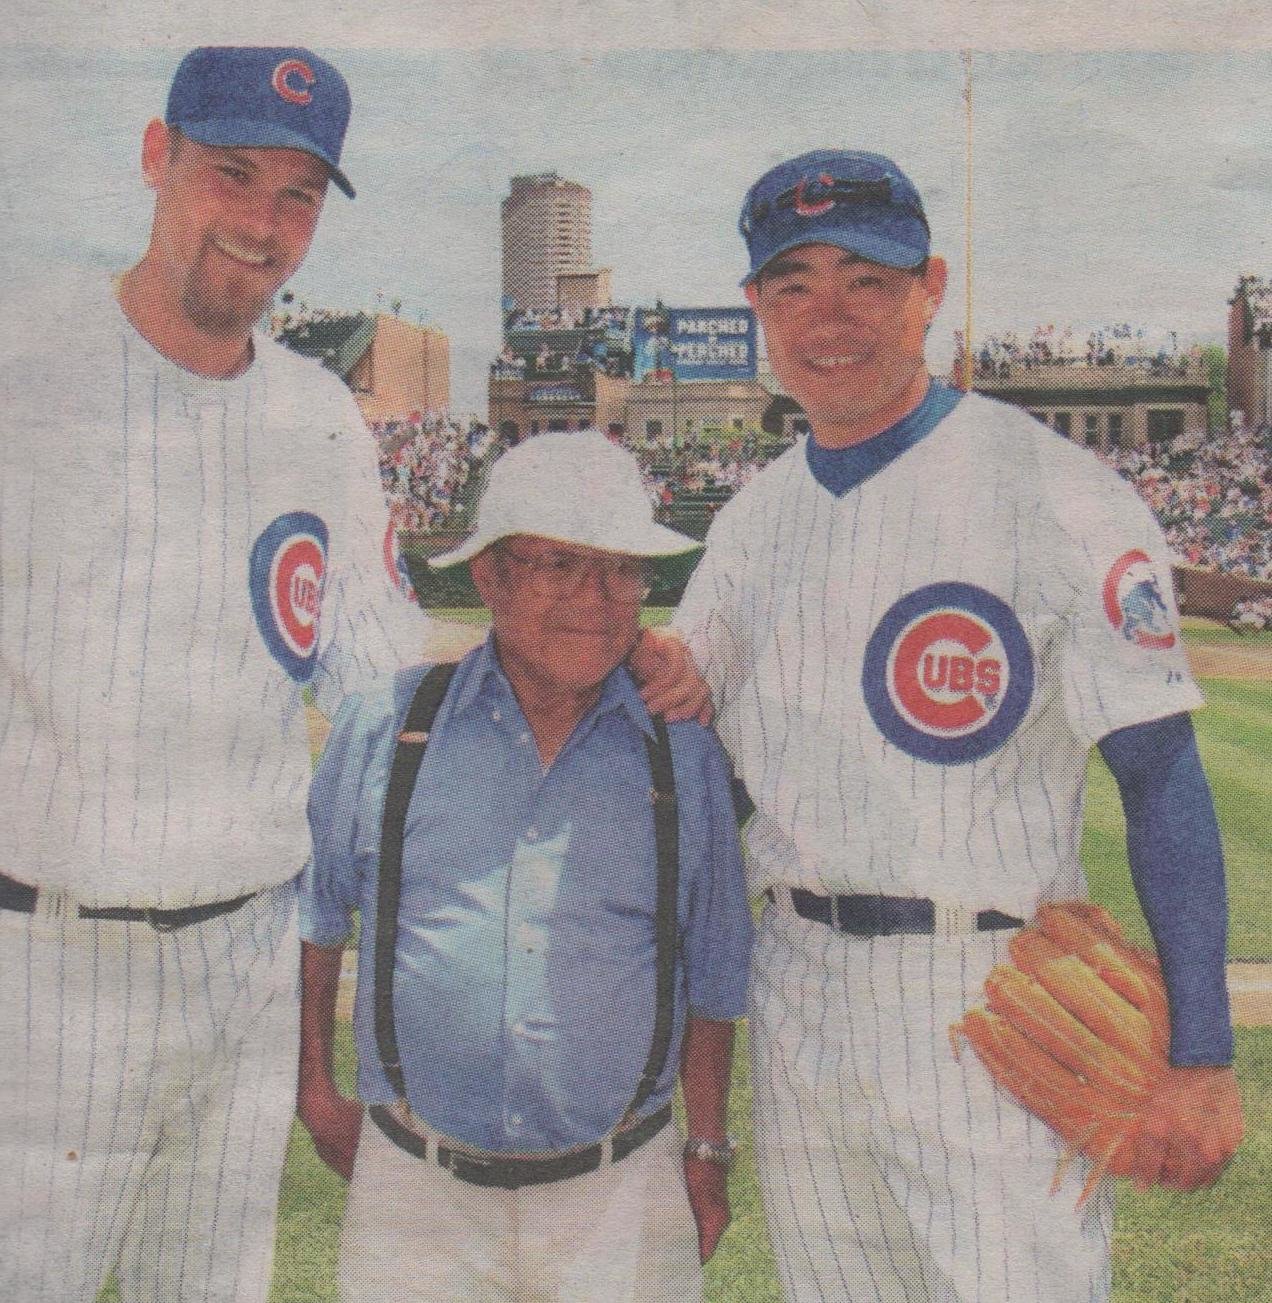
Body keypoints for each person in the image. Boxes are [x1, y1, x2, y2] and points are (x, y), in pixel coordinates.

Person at [641, 150, 1244, 1301]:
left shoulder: (1055, 490)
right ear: (757, 308)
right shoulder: (753, 523)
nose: (830, 316)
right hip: (801, 988)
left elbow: (1161, 773)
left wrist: (1203, 1055)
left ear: (932, 286)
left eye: (867, 278)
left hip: (997, 995)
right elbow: (684, 717)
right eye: (794, 284)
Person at [0, 46, 424, 1303]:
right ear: (154, 158)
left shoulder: (317, 416)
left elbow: (382, 685)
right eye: (231, 173)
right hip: (44, 959)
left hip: (245, 960)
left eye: (298, 197)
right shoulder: (23, 360)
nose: (261, 222)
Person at [297, 430, 753, 1303]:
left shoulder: (680, 751)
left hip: (623, 1191)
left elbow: (715, 971)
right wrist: (317, 1087)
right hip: (415, 1190)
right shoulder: (385, 726)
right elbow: (319, 922)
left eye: (621, 569)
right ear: (488, 577)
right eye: (558, 564)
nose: (595, 597)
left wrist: (706, 1145)